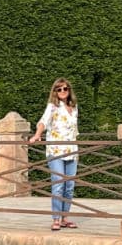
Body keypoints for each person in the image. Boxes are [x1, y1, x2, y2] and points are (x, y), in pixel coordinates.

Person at [32, 78, 79, 230]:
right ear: (55, 92)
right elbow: (43, 122)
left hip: (72, 151)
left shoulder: (74, 107)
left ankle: (65, 217)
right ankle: (56, 218)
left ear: (69, 90)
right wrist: (37, 135)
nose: (62, 92)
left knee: (69, 186)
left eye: (65, 89)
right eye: (59, 89)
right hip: (56, 151)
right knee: (58, 183)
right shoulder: (52, 106)